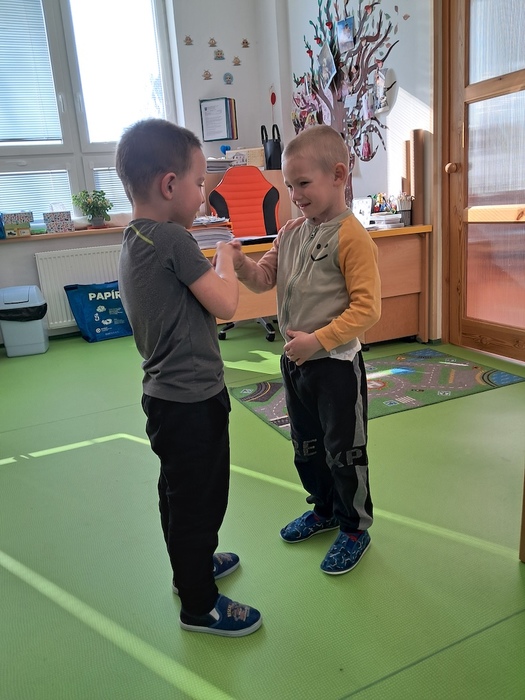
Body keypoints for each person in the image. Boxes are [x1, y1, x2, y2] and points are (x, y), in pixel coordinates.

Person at [115, 118, 262, 636]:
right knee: (200, 499)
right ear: (169, 184)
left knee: (178, 493)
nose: (204, 196)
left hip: (164, 399)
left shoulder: (133, 238)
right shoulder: (173, 239)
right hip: (193, 401)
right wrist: (224, 257)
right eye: (200, 183)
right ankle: (199, 603)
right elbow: (225, 304)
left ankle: (189, 569)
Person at [230, 124, 381, 575]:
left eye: (303, 184)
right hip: (297, 365)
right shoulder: (291, 231)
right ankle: (325, 509)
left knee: (344, 450)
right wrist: (240, 264)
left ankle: (354, 527)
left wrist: (318, 340)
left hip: (335, 365)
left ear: (338, 175)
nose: (294, 195)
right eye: (289, 185)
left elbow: (367, 309)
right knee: (307, 446)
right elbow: (263, 278)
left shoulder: (352, 237)